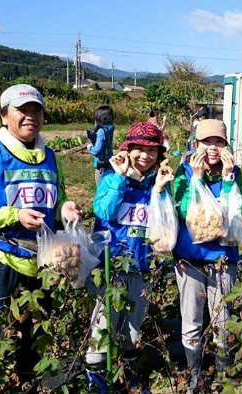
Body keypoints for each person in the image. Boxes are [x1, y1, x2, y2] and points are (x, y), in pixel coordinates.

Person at [0, 84, 82, 393]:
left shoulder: (51, 157)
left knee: (34, 329)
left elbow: (57, 200)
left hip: (42, 259)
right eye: (21, 110)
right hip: (2, 256)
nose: (30, 117)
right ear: (3, 114)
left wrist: (65, 208)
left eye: (36, 110)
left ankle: (26, 381)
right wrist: (13, 215)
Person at [85, 121, 173, 393]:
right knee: (102, 326)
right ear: (128, 149)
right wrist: (121, 178)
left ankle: (127, 379)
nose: (145, 156)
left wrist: (159, 190)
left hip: (141, 266)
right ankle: (97, 383)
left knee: (132, 328)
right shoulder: (112, 178)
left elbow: (164, 226)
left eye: (152, 151)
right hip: (109, 265)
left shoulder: (157, 185)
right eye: (139, 149)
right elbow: (104, 212)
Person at [171, 119, 242, 393]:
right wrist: (196, 178)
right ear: (196, 144)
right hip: (190, 260)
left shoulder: (233, 172)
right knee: (191, 323)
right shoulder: (183, 172)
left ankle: (224, 375)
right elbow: (182, 211)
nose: (212, 148)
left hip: (223, 260)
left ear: (226, 145)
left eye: (218, 142)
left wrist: (227, 179)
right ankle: (194, 379)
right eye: (207, 142)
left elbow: (235, 214)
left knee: (222, 323)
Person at [86, 105, 115, 186]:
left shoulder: (101, 131)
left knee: (100, 189)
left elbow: (96, 150)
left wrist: (89, 147)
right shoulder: (110, 128)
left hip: (101, 165)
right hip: (109, 162)